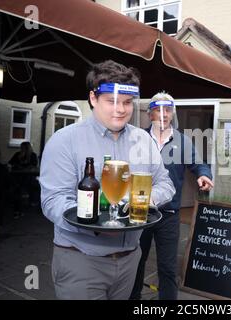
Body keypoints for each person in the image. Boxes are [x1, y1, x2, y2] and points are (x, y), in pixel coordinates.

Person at [39, 60, 175, 300]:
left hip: (130, 259)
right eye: (111, 101)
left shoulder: (143, 141)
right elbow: (53, 201)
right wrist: (97, 222)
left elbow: (166, 184)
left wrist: (146, 198)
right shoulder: (64, 140)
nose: (120, 109)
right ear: (93, 98)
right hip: (81, 260)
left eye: (126, 102)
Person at [130, 91, 214, 300]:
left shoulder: (182, 141)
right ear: (150, 114)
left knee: (167, 268)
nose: (163, 114)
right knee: (135, 263)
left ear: (172, 114)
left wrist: (204, 175)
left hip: (168, 214)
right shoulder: (136, 138)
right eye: (158, 109)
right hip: (140, 212)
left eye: (168, 110)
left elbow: (199, 163)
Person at [8, 141, 39, 218]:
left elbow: (34, 165)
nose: (22, 149)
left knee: (20, 187)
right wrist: (19, 159)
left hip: (29, 177)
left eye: (24, 148)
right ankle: (18, 209)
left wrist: (26, 165)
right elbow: (10, 163)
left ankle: (19, 208)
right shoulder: (17, 154)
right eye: (21, 148)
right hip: (17, 177)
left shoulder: (33, 155)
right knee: (17, 188)